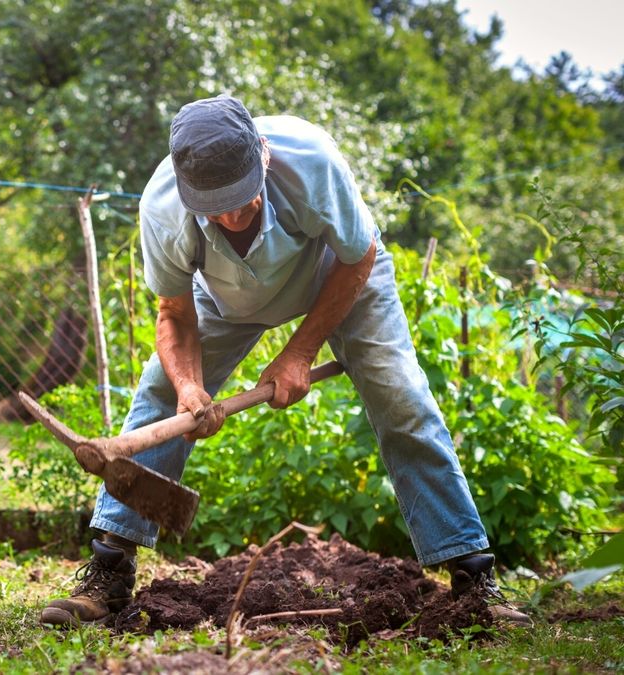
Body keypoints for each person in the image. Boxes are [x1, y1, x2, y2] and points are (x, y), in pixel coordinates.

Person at [39, 95, 529, 627]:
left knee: (400, 396)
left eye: (242, 198)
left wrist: (299, 352)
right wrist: (188, 387)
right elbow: (175, 315)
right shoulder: (164, 207)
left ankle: (472, 577)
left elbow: (357, 253)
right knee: (159, 393)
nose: (229, 215)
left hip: (336, 275)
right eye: (213, 205)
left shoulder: (311, 160)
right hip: (227, 296)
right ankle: (109, 572)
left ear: (264, 156)